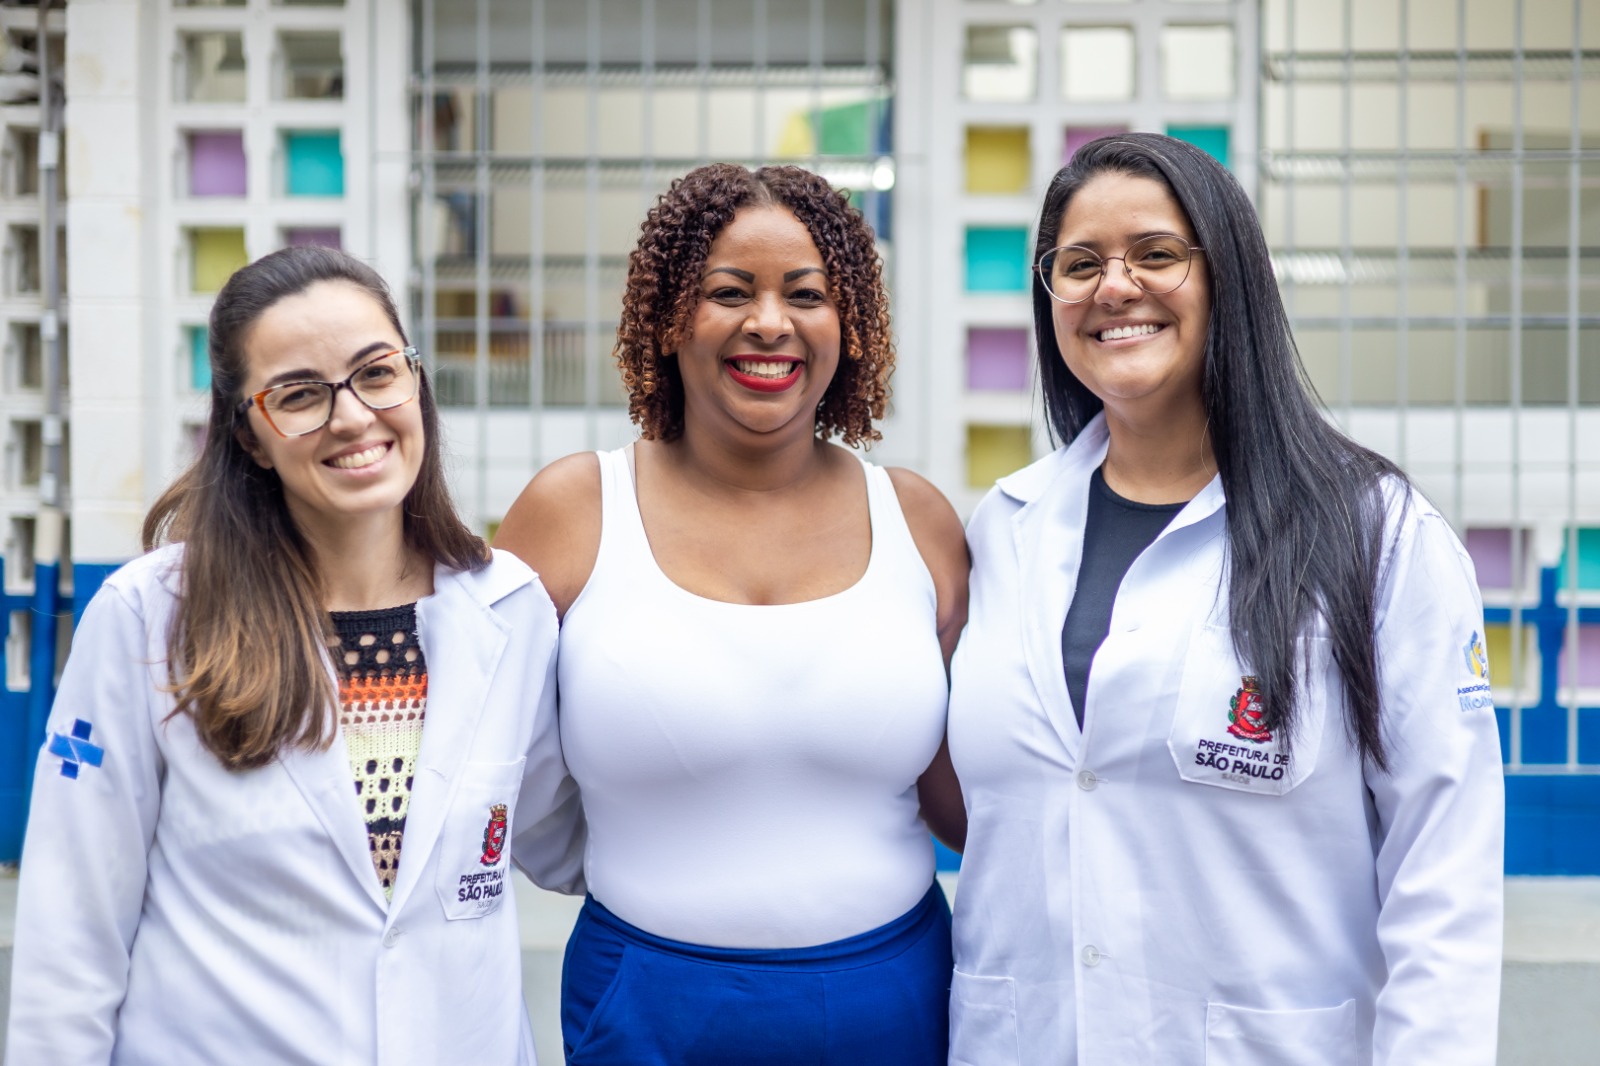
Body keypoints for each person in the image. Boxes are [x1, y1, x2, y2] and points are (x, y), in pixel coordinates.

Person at [946, 132, 1504, 1065]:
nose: (1114, 287)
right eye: (1079, 265)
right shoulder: (1005, 529)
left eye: (1156, 253)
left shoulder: (1377, 532)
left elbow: (1443, 871)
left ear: (1229, 278)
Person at [6, 246, 583, 1066]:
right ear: (249, 434)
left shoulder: (510, 611)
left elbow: (570, 840)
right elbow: (71, 929)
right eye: (300, 395)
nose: (352, 417)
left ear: (415, 380)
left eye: (376, 373)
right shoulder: (149, 618)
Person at [494, 163, 968, 1065]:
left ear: (849, 325)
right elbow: (491, 762)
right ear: (667, 319)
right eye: (729, 292)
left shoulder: (919, 522)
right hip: (647, 1005)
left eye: (806, 295)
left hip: (896, 1001)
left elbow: (965, 797)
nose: (770, 322)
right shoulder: (573, 511)